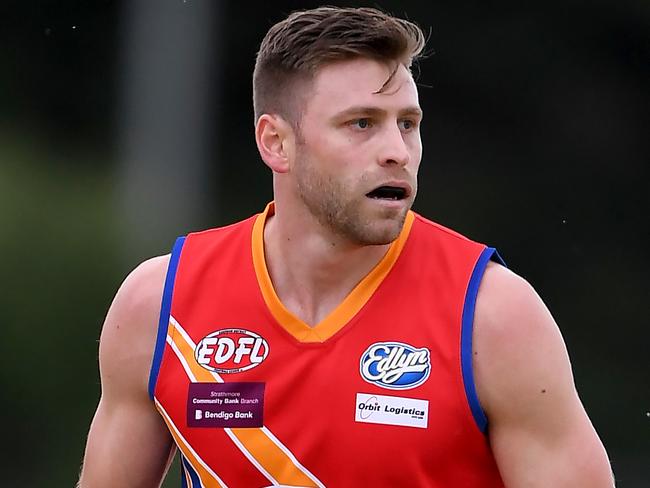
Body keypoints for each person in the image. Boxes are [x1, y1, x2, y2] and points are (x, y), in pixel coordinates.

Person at [78, 6, 614, 487]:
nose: (396, 151)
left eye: (408, 124)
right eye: (362, 123)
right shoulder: (159, 308)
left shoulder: (494, 318)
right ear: (276, 143)